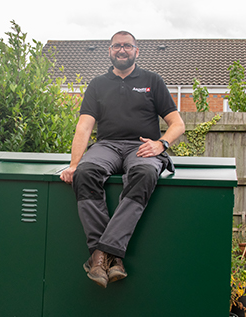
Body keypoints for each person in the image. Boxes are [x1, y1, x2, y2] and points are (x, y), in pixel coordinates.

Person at [60, 31, 185, 288]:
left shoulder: (152, 80)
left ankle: (100, 254)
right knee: (84, 174)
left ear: (136, 51)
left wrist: (161, 144)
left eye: (128, 45)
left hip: (141, 147)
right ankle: (111, 257)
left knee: (145, 174)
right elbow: (84, 127)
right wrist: (74, 164)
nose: (122, 49)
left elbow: (177, 123)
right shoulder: (97, 84)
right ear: (110, 51)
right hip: (106, 146)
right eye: (117, 45)